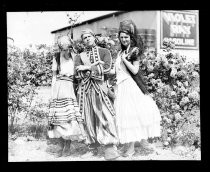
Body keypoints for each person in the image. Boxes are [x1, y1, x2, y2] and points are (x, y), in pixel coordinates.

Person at [110, 20, 161, 157]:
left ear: (131, 37)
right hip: (121, 85)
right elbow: (118, 70)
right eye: (121, 37)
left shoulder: (134, 51)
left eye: (126, 37)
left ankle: (132, 148)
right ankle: (130, 145)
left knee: (130, 115)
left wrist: (125, 59)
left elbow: (134, 70)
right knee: (124, 116)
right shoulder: (121, 51)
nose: (124, 39)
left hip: (129, 86)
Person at [74, 28, 120, 160]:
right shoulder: (79, 56)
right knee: (87, 118)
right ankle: (92, 147)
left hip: (100, 88)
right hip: (85, 91)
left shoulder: (104, 51)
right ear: (82, 41)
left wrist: (88, 67)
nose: (87, 39)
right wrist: (95, 66)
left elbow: (107, 68)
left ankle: (109, 147)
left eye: (89, 36)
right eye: (84, 38)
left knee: (105, 116)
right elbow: (77, 73)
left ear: (94, 37)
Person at [48, 35, 86, 157]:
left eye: (67, 49)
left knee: (69, 117)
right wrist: (53, 93)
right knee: (59, 117)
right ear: (60, 48)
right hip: (58, 88)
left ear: (70, 47)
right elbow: (54, 76)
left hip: (70, 88)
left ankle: (68, 146)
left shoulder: (75, 57)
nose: (65, 51)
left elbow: (79, 75)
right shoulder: (57, 57)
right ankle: (60, 146)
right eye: (62, 49)